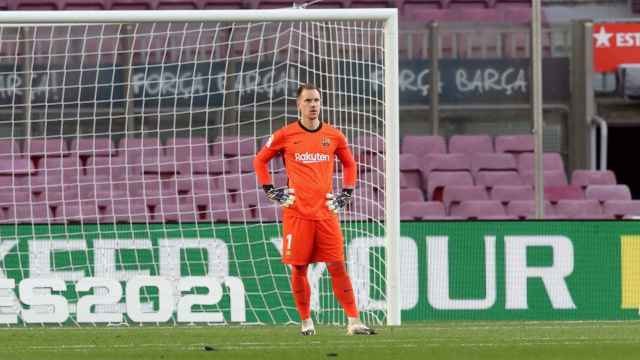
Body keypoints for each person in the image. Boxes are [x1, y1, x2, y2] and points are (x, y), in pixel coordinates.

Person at [253, 83, 375, 336]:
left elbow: (350, 165)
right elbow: (260, 160)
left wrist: (347, 193)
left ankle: (354, 321)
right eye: (308, 100)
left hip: (326, 213)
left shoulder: (334, 135)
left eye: (317, 100)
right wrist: (270, 190)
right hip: (297, 213)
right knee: (299, 268)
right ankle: (306, 321)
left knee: (337, 264)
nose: (313, 105)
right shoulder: (285, 135)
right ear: (298, 104)